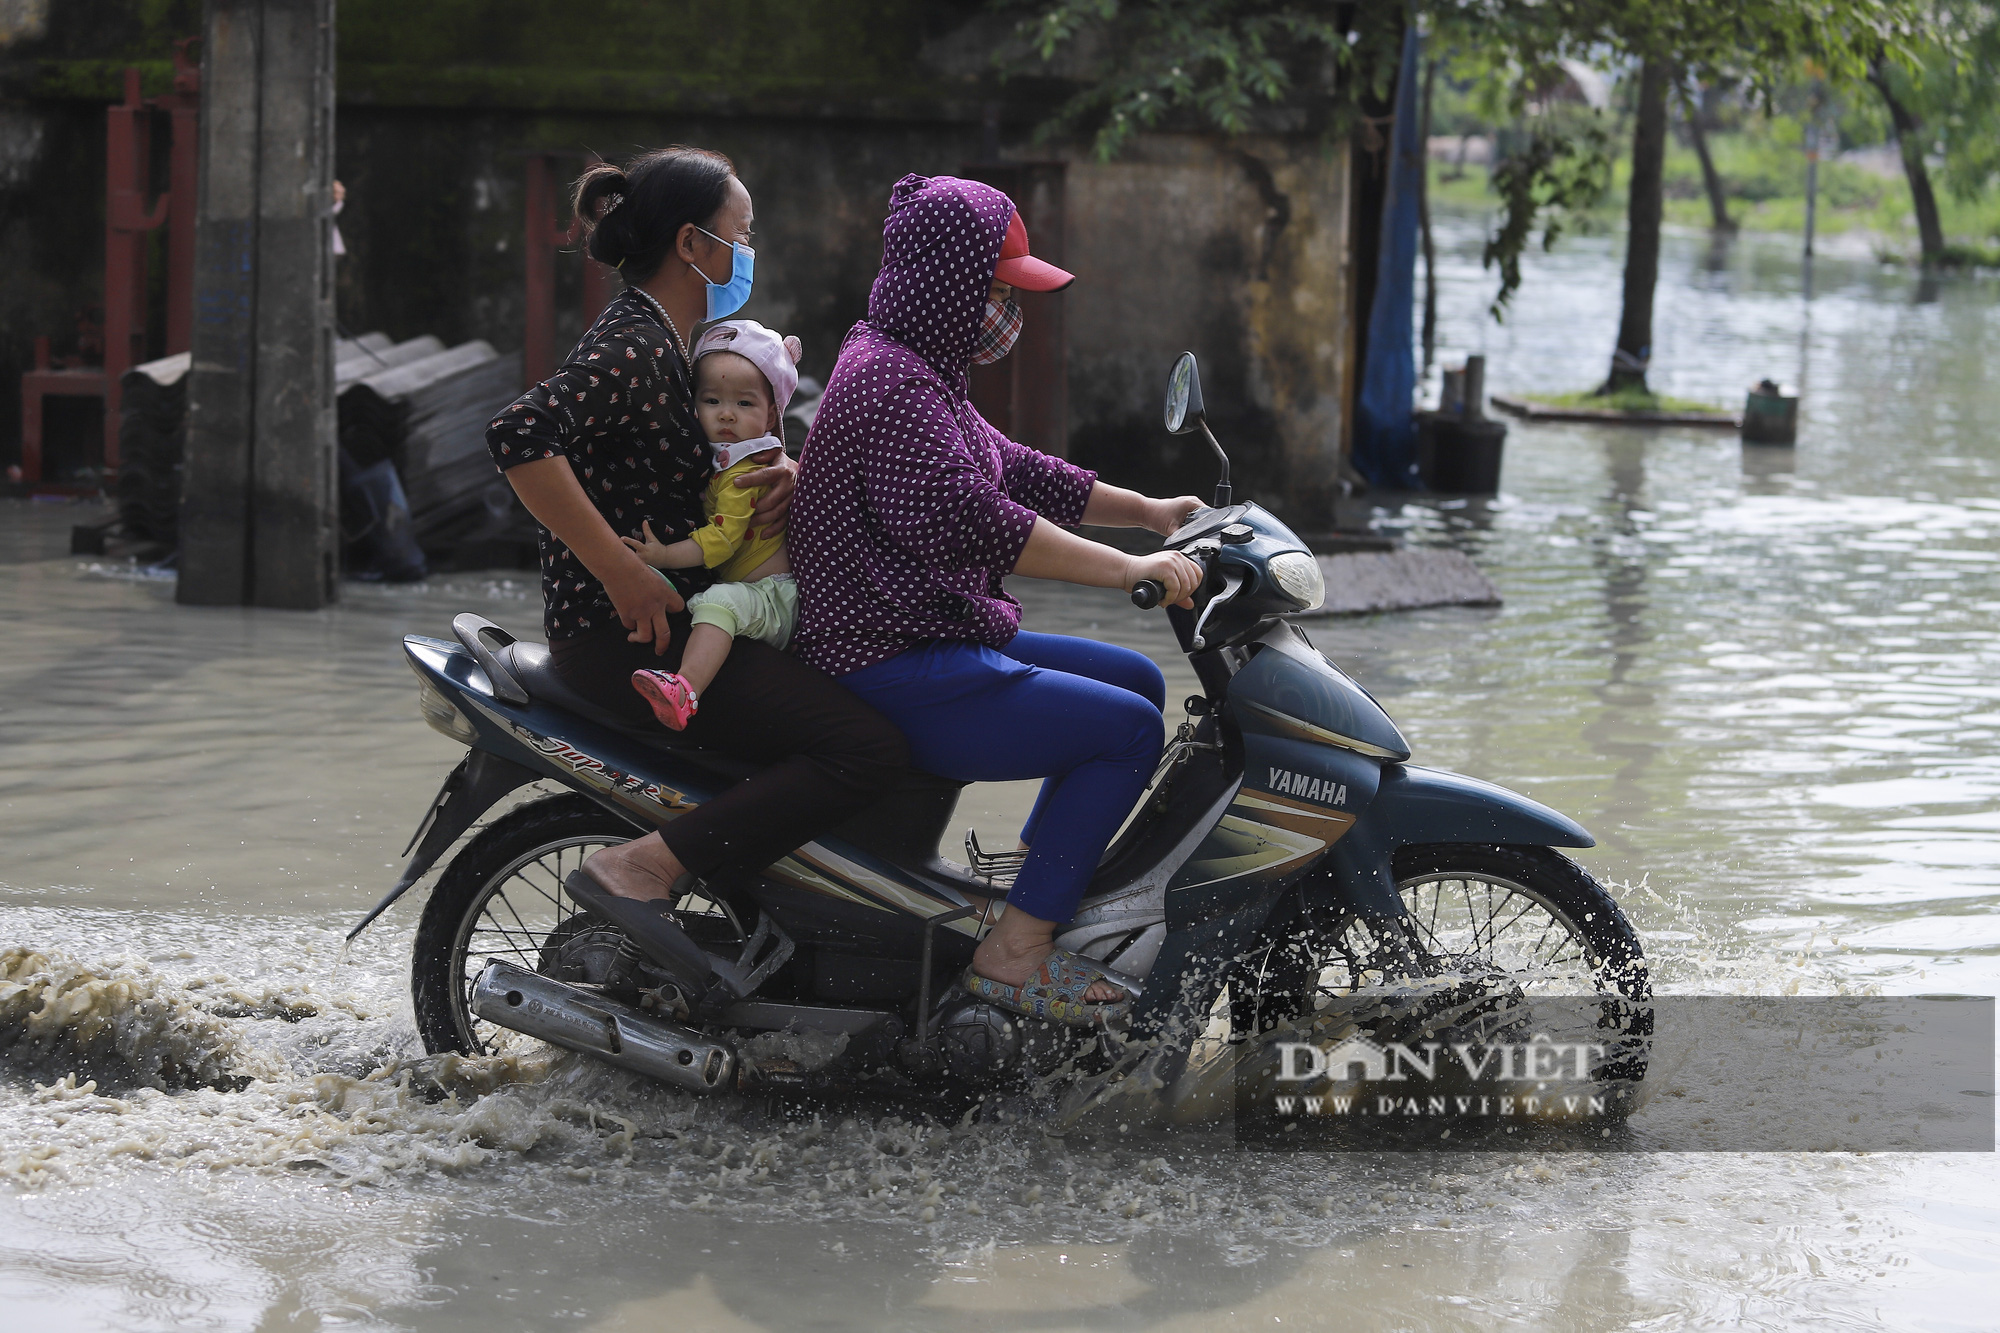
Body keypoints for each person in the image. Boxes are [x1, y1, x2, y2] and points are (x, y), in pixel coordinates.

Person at [790, 174, 1205, 1026]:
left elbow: (1016, 468)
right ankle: (1014, 951)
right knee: (1127, 732)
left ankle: (1029, 891)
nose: (1008, 314)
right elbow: (986, 521)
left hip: (925, 630)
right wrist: (1132, 570)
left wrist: (1151, 513)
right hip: (888, 659)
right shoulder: (894, 388)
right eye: (997, 292)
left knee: (1138, 683)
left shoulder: (913, 364)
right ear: (949, 286)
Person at [483, 147, 910, 953]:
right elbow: (518, 433)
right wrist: (624, 573)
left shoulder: (682, 344)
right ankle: (641, 869)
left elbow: (727, 458)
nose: (748, 251)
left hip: (684, 615)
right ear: (692, 245)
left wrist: (784, 468)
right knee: (865, 748)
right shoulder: (637, 345)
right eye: (739, 235)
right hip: (626, 636)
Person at [622, 319, 801, 731]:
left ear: (772, 414)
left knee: (718, 602)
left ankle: (685, 690)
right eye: (711, 400)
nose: (725, 414)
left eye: (744, 404)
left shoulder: (745, 471)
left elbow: (720, 542)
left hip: (773, 597)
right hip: (760, 594)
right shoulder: (729, 459)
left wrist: (663, 556)